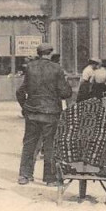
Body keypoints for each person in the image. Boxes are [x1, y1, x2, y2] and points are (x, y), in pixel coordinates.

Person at [15, 43, 72, 186]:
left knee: (29, 144)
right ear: (50, 53)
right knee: (50, 145)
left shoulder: (30, 68)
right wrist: (67, 84)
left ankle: (25, 175)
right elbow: (65, 93)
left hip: (32, 112)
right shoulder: (57, 69)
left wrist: (25, 107)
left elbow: (20, 91)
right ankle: (50, 179)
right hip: (51, 113)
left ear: (38, 53)